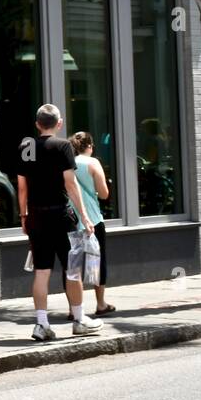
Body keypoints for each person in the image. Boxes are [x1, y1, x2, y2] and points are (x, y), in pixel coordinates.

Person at [16, 105, 104, 341]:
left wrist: (23, 216)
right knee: (72, 269)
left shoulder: (27, 146)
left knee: (41, 272)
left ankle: (42, 324)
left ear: (37, 124)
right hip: (62, 216)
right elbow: (70, 184)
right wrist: (84, 216)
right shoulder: (63, 145)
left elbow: (22, 186)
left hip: (36, 215)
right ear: (59, 123)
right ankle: (78, 319)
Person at [71, 131, 114, 318]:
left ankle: (73, 309)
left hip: (72, 220)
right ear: (89, 146)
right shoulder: (93, 163)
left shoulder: (67, 163)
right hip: (93, 219)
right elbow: (104, 194)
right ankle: (100, 303)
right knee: (96, 261)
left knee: (72, 265)